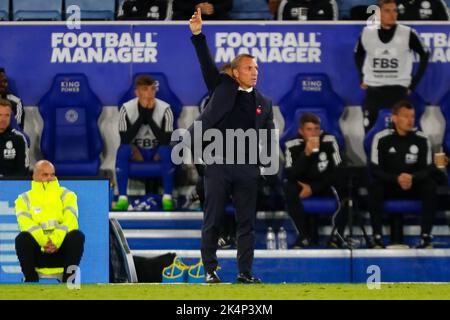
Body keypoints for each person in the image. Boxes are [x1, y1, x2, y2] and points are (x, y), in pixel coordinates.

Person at [189, 8, 276, 283]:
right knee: (212, 219)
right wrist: (198, 36)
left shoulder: (264, 103)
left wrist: (264, 167)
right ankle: (210, 271)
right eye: (249, 68)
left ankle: (245, 273)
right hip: (218, 165)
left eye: (257, 68)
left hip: (248, 168)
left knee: (246, 223)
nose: (254, 72)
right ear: (236, 72)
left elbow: (268, 137)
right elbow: (206, 64)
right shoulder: (221, 87)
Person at [368, 101, 436, 249]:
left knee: (430, 186)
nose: (410, 120)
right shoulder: (381, 138)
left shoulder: (422, 139)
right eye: (405, 116)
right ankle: (377, 237)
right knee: (375, 187)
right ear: (394, 118)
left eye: (412, 116)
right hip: (390, 185)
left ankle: (426, 237)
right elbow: (374, 169)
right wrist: (396, 179)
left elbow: (429, 169)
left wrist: (413, 178)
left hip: (413, 185)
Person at [354, 0, 430, 132]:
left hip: (398, 91)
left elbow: (425, 54)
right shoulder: (367, 33)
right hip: (374, 91)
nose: (392, 14)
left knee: (402, 132)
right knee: (369, 132)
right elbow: (358, 54)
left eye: (395, 11)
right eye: (387, 11)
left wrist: (413, 84)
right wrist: (362, 77)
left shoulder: (407, 33)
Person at [14, 160, 85, 282]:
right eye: (45, 175)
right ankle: (30, 280)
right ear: (35, 176)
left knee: (77, 236)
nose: (50, 178)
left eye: (52, 174)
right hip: (39, 252)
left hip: (61, 250)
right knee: (22, 238)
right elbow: (26, 225)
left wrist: (56, 242)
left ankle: (69, 280)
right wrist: (44, 243)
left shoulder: (67, 195)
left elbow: (71, 221)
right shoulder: (23, 199)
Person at [283, 112, 344, 248]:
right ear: (301, 131)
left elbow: (339, 171)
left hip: (325, 186)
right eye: (309, 130)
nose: (314, 133)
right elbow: (290, 174)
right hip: (303, 187)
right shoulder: (292, 145)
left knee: (345, 184)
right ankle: (304, 236)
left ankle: (338, 236)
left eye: (316, 129)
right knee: (289, 186)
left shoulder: (329, 141)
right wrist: (306, 154)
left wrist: (314, 188)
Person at [114, 75, 175, 211]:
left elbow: (165, 140)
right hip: (137, 152)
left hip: (157, 151)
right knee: (123, 150)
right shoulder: (126, 108)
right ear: (137, 92)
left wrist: (150, 116)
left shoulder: (166, 109)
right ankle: (122, 197)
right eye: (145, 89)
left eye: (152, 89)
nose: (150, 93)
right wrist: (143, 115)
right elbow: (125, 139)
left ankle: (167, 197)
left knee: (166, 150)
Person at [0, 99, 29, 177]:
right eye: (0, 115)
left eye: (7, 115)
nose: (3, 119)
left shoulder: (19, 139)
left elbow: (23, 171)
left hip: (11, 185)